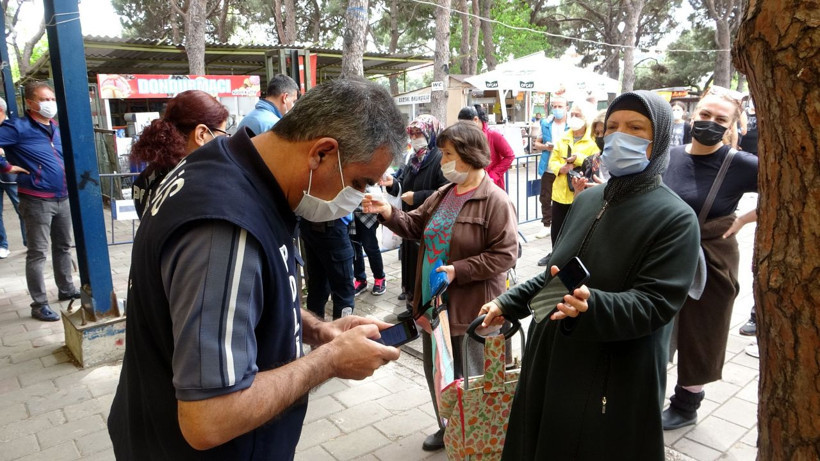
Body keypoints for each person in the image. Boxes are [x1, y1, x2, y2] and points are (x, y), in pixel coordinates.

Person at [107, 78, 405, 459]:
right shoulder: (227, 226)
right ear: (322, 153)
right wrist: (330, 361)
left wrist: (319, 330)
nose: (359, 196)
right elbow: (208, 417)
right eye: (360, 181)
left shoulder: (226, 168)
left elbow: (241, 300)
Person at [478, 90, 700, 460]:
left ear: (658, 139)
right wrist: (509, 301)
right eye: (611, 126)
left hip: (611, 374)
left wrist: (592, 305)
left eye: (635, 127)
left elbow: (657, 304)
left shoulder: (675, 219)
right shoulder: (588, 200)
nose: (618, 135)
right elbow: (560, 274)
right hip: (553, 357)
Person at [363, 121, 518, 452]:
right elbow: (414, 225)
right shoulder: (444, 195)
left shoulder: (495, 200)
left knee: (474, 377)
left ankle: (479, 438)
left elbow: (506, 255)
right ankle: (448, 428)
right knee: (441, 375)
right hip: (435, 308)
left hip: (475, 311)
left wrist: (458, 270)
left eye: (448, 154)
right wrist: (387, 211)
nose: (443, 160)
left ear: (469, 154)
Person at [661, 87, 759, 430]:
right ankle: (646, 392)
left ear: (731, 126)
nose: (710, 123)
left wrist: (744, 218)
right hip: (665, 255)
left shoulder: (740, 164)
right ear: (692, 115)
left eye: (720, 119)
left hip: (712, 259)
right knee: (656, 327)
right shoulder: (669, 155)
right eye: (705, 115)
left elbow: (793, 187)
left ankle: (687, 405)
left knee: (702, 331)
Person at [0, 81, 80, 322]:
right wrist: (6, 166)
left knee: (64, 247)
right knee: (37, 253)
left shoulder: (56, 128)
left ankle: (66, 288)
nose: (50, 104)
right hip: (36, 200)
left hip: (63, 197)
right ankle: (39, 304)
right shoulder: (18, 128)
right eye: (44, 100)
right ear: (30, 103)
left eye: (52, 99)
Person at [381, 114, 448, 319]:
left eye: (420, 133)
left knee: (426, 267)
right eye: (413, 134)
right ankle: (412, 305)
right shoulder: (413, 159)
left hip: (430, 224)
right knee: (410, 265)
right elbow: (403, 183)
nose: (415, 137)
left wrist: (418, 197)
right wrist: (393, 183)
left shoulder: (439, 158)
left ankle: (424, 307)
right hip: (410, 221)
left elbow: (445, 192)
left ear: (431, 134)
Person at [131, 90, 230, 218]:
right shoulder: (195, 184)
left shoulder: (148, 175)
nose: (224, 141)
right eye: (222, 135)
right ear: (201, 134)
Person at [538, 100, 599, 265]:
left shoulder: (592, 141)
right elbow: (553, 161)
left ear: (585, 118)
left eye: (577, 115)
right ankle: (554, 257)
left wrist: (577, 159)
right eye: (572, 114)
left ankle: (573, 260)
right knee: (556, 229)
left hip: (581, 194)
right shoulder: (563, 138)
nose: (573, 117)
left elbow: (594, 161)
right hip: (560, 192)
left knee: (576, 229)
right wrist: (561, 168)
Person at [300, 212, 356, 320]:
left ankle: (314, 334)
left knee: (317, 285)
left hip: (312, 223)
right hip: (332, 226)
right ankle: (341, 334)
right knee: (344, 291)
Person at [533, 96, 569, 239]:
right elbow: (537, 144)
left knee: (564, 197)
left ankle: (564, 224)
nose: (557, 109)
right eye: (554, 106)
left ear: (567, 108)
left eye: (560, 106)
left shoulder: (572, 125)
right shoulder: (546, 124)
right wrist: (546, 147)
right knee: (545, 197)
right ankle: (546, 225)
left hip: (565, 167)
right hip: (548, 167)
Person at [457, 105, 515, 191]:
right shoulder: (466, 136)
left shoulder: (493, 134)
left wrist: (493, 175)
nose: (464, 129)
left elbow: (510, 155)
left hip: (492, 185)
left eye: (465, 125)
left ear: (476, 120)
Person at [0, 97, 25, 259]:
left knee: (22, 208)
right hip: (7, 170)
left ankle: (30, 241)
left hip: (10, 175)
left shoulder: (13, 127)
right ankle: (2, 244)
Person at [351, 193, 387, 296]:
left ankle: (380, 278)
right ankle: (360, 279)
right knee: (355, 248)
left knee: (370, 247)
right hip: (350, 214)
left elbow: (375, 189)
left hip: (367, 214)